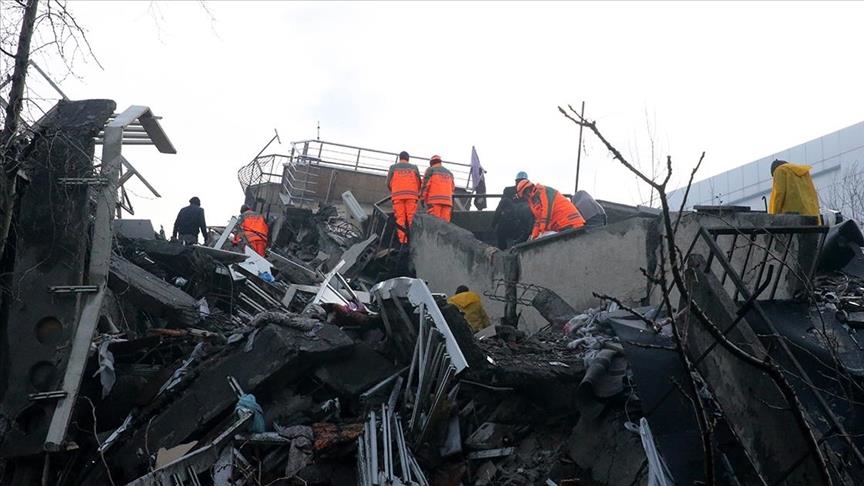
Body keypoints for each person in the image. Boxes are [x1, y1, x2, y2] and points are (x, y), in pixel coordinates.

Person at [516, 179, 586, 240]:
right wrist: (534, 236)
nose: (525, 197)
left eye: (524, 194)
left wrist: (541, 232)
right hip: (561, 227)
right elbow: (538, 220)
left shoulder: (543, 191)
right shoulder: (533, 202)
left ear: (527, 190)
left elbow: (547, 212)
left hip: (571, 225)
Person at [492, 171, 534, 248]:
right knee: (500, 232)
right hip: (513, 221)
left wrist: (493, 223)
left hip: (521, 223)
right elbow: (501, 206)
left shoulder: (529, 192)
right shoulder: (509, 191)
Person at [387, 151, 422, 244]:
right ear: (408, 158)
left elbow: (388, 182)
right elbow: (419, 182)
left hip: (397, 196)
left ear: (399, 158)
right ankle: (412, 240)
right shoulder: (414, 167)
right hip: (411, 196)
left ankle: (403, 241)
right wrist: (415, 192)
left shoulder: (393, 167)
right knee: (411, 218)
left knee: (400, 219)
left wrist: (394, 191)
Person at [420, 155, 455, 222]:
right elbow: (452, 188)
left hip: (434, 201)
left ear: (431, 163)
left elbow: (425, 185)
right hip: (447, 202)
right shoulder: (449, 173)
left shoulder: (430, 170)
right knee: (445, 226)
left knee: (434, 224)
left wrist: (422, 198)